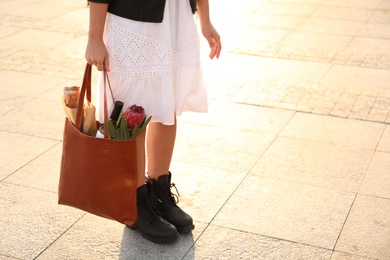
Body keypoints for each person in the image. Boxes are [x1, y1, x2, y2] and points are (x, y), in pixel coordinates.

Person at [85, 0, 221, 243]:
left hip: (177, 15)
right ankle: (135, 202)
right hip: (133, 17)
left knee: (167, 108)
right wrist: (94, 36)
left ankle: (159, 193)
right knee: (133, 114)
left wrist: (205, 19)